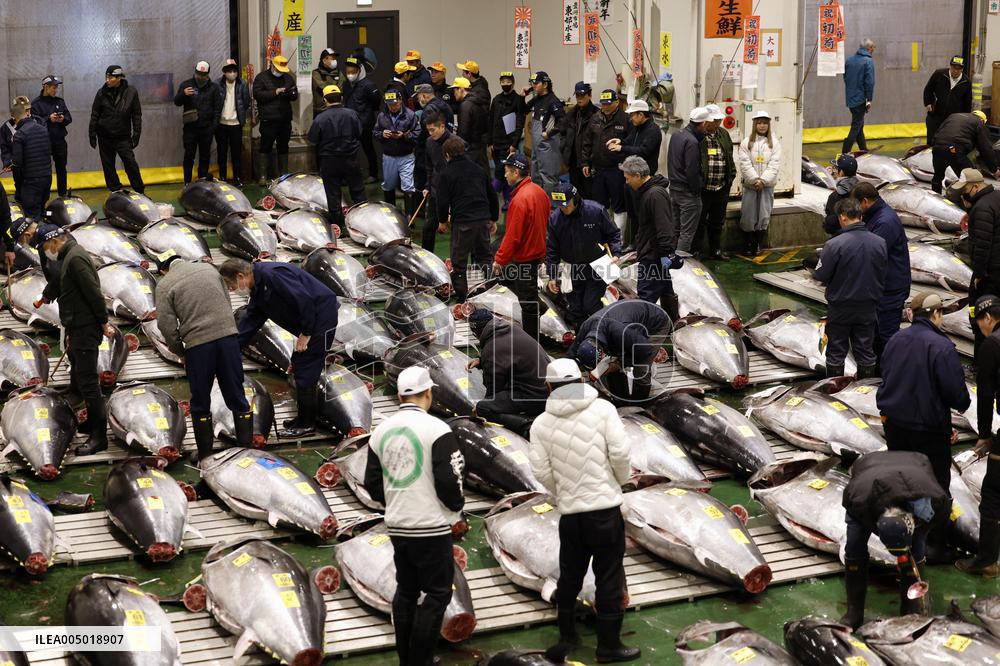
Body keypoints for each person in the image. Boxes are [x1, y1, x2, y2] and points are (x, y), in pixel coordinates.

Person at [528, 357, 637, 662]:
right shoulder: (603, 410)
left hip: (571, 515)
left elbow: (541, 470)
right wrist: (618, 481)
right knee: (609, 576)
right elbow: (620, 453)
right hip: (605, 512)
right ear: (580, 382)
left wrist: (564, 491)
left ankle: (568, 637)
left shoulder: (541, 424)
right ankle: (609, 646)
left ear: (549, 387)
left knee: (570, 576)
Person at [363, 366, 465, 666]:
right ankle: (420, 660)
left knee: (406, 591)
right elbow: (449, 480)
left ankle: (406, 658)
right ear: (429, 393)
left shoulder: (381, 430)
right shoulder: (437, 429)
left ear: (399, 396)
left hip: (398, 526)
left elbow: (372, 482)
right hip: (431, 526)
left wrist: (396, 503)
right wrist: (455, 509)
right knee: (437, 594)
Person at [220, 259, 339, 438]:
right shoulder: (258, 287)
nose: (232, 290)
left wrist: (306, 333)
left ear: (240, 276)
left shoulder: (272, 275)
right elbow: (251, 320)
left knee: (306, 368)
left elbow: (304, 300)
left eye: (231, 286)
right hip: (310, 319)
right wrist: (231, 349)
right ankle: (303, 418)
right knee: (300, 364)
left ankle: (307, 425)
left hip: (320, 316)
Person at [155, 254, 252, 461]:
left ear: (163, 271)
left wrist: (180, 351)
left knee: (200, 400)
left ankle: (206, 455)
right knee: (236, 394)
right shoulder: (209, 269)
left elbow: (165, 325)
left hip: (198, 346)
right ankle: (247, 451)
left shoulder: (164, 285)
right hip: (228, 340)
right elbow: (226, 302)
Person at [840, 450, 948, 629]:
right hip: (868, 469)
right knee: (854, 545)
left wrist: (907, 555)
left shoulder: (936, 502)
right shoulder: (858, 501)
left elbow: (927, 529)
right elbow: (856, 523)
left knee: (916, 549)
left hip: (916, 466)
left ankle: (910, 609)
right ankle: (854, 611)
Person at [32, 224, 114, 456]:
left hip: (86, 327)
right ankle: (91, 423)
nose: (46, 252)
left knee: (89, 383)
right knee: (81, 374)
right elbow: (61, 281)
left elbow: (93, 293)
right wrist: (46, 296)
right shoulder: (69, 256)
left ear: (55, 241)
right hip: (77, 325)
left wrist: (103, 322)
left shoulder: (76, 259)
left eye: (45, 247)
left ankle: (99, 437)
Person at [877, 292, 970, 493]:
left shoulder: (895, 338)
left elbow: (886, 373)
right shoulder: (942, 346)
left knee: (901, 479)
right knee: (933, 486)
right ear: (935, 313)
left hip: (894, 424)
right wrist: (963, 404)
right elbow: (955, 393)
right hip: (928, 430)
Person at [813, 198, 886, 377]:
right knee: (865, 351)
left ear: (843, 217)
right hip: (869, 306)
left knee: (836, 352)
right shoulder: (880, 242)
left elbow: (821, 274)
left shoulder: (834, 244)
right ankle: (865, 390)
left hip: (841, 307)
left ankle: (835, 389)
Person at [958, 294, 1000, 576]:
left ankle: (986, 561)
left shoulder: (992, 344)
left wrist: (984, 434)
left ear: (987, 318)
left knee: (993, 493)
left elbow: (985, 396)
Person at [545, 182, 622, 326]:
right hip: (572, 267)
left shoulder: (596, 211)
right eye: (559, 205)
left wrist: (616, 253)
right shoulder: (555, 219)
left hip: (598, 265)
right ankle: (581, 335)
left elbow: (613, 234)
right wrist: (552, 276)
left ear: (575, 200)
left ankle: (603, 331)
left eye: (566, 205)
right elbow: (552, 250)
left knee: (591, 305)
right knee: (575, 309)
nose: (562, 208)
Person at [568, 299, 670, 404]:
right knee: (611, 362)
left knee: (641, 369)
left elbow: (645, 351)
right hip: (629, 321)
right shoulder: (586, 327)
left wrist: (620, 364)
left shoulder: (621, 332)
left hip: (657, 322)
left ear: (601, 353)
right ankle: (621, 400)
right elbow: (570, 355)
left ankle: (639, 405)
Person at [492, 152, 548, 339]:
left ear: (516, 172)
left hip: (524, 257)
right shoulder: (539, 192)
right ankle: (540, 307)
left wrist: (500, 260)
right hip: (536, 253)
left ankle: (532, 342)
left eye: (507, 171)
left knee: (527, 303)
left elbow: (513, 236)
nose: (505, 175)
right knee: (527, 292)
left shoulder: (519, 200)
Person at [852, 182, 911, 358]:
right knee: (876, 336)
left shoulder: (885, 221)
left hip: (890, 290)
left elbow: (872, 253)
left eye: (856, 204)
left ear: (865, 201)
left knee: (887, 336)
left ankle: (892, 370)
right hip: (881, 287)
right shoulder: (874, 216)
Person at [467, 308, 548, 434]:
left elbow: (493, 391)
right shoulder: (512, 328)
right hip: (548, 388)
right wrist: (482, 361)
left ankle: (526, 426)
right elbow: (510, 355)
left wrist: (479, 408)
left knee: (483, 408)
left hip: (535, 396)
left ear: (476, 332)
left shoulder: (491, 348)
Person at [435, 136, 498, 299]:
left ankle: (463, 300)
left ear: (447, 155)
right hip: (483, 220)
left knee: (459, 264)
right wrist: (494, 218)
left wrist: (442, 221)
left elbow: (442, 201)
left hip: (463, 223)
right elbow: (492, 195)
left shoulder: (446, 174)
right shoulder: (479, 169)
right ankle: (493, 291)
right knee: (485, 258)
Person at [622, 155, 678, 320]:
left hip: (654, 254)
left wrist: (665, 253)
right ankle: (671, 324)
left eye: (628, 178)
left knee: (646, 295)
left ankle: (643, 330)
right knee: (666, 289)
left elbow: (664, 226)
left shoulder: (655, 195)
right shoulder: (646, 192)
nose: (626, 182)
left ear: (638, 176)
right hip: (654, 251)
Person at [307, 85, 365, 235]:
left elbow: (312, 139)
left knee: (333, 194)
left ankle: (337, 226)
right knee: (357, 191)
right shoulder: (352, 114)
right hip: (351, 159)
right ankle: (363, 224)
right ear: (342, 98)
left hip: (329, 162)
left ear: (324, 100)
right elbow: (359, 132)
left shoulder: (320, 118)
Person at [960, 168, 1000, 351]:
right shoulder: (996, 196)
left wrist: (979, 274)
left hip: (990, 272)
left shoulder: (982, 208)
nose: (963, 194)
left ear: (975, 187)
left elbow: (982, 245)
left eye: (965, 190)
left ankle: (983, 354)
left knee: (979, 310)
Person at [89, 65, 143, 193]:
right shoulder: (101, 93)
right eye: (106, 77)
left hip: (123, 137)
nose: (107, 80)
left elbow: (136, 115)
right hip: (104, 137)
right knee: (108, 165)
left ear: (119, 78)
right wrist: (92, 134)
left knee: (130, 163)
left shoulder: (131, 92)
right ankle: (115, 191)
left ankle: (140, 191)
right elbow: (95, 114)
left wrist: (136, 135)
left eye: (110, 77)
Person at [737, 110, 782, 256]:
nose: (762, 126)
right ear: (755, 124)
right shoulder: (746, 142)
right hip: (750, 186)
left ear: (768, 125)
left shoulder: (774, 143)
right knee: (748, 215)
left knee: (764, 215)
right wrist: (755, 179)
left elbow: (774, 164)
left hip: (766, 187)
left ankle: (757, 244)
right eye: (759, 123)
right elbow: (744, 163)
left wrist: (763, 180)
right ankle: (748, 243)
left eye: (765, 123)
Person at [695, 104, 736, 261]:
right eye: (715, 120)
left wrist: (730, 178)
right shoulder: (699, 135)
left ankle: (716, 250)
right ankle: (697, 251)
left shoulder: (724, 134)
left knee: (717, 221)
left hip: (721, 187)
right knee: (699, 221)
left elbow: (730, 156)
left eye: (719, 120)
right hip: (704, 188)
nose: (718, 123)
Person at [173, 61, 221, 185]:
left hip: (207, 129)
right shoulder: (186, 85)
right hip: (190, 129)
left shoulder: (214, 88)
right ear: (195, 71)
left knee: (205, 156)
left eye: (203, 74)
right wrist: (183, 94)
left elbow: (217, 109)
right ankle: (187, 182)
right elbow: (177, 102)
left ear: (208, 74)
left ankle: (202, 182)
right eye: (198, 73)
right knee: (189, 156)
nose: (200, 76)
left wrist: (213, 127)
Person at [668, 107, 708, 255]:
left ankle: (670, 259)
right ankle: (680, 263)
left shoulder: (676, 135)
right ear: (702, 123)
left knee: (675, 229)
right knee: (686, 232)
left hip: (674, 189)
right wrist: (696, 190)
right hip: (687, 193)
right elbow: (692, 170)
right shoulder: (692, 141)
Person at [252, 55, 297, 183]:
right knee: (265, 146)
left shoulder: (288, 78)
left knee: (283, 146)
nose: (280, 72)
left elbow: (295, 95)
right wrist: (275, 92)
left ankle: (284, 174)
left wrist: (290, 94)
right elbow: (257, 94)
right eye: (278, 69)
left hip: (285, 119)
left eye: (282, 70)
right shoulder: (261, 78)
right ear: (272, 65)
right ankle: (263, 176)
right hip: (268, 119)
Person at [930, 110, 1000, 194]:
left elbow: (938, 131)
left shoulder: (953, 115)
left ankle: (935, 197)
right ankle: (969, 200)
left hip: (937, 147)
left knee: (937, 177)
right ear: (982, 120)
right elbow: (985, 148)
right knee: (971, 178)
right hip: (954, 149)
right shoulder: (978, 122)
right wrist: (994, 169)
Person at [374, 89, 420, 216]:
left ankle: (409, 217)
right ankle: (391, 215)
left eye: (395, 104)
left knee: (408, 186)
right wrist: (382, 134)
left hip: (406, 156)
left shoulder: (410, 115)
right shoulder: (381, 116)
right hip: (389, 156)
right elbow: (375, 132)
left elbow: (417, 134)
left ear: (400, 100)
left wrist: (404, 136)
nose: (392, 107)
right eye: (389, 105)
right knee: (388, 185)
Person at [421, 112, 458, 252]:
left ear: (442, 126)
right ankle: (425, 257)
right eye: (428, 130)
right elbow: (429, 166)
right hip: (436, 190)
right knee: (428, 227)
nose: (430, 133)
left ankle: (457, 260)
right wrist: (427, 185)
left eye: (433, 130)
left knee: (457, 229)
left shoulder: (456, 143)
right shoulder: (429, 142)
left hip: (454, 192)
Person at [10, 98, 51, 220]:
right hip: (47, 179)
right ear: (27, 113)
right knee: (41, 213)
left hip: (31, 183)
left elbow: (17, 164)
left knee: (32, 219)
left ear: (14, 118)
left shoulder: (19, 135)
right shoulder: (43, 130)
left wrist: (19, 188)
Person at [523, 71, 565, 195]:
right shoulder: (537, 99)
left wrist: (549, 134)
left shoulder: (553, 101)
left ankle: (550, 205)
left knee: (549, 178)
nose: (533, 86)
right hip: (537, 147)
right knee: (536, 176)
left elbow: (563, 121)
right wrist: (522, 96)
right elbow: (523, 110)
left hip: (548, 145)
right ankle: (538, 202)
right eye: (532, 83)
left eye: (536, 83)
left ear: (545, 84)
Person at [488, 71, 527, 200]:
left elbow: (520, 123)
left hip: (509, 144)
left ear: (513, 83)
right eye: (503, 82)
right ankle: (508, 200)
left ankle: (491, 197)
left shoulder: (517, 100)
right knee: (505, 174)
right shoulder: (496, 99)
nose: (505, 84)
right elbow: (491, 120)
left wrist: (514, 144)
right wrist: (490, 142)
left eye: (508, 81)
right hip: (495, 143)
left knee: (501, 172)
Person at [342, 55, 382, 183]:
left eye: (353, 71)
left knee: (368, 148)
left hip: (365, 123)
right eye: (348, 71)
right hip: (350, 123)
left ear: (360, 71)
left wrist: (366, 115)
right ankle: (349, 175)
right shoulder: (346, 84)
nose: (350, 74)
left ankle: (373, 174)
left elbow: (376, 102)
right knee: (349, 151)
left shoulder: (369, 85)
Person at [31, 76, 71, 197]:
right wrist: (49, 119)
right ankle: (43, 196)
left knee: (61, 168)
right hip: (44, 142)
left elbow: (69, 118)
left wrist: (62, 119)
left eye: (56, 87)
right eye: (53, 87)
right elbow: (34, 123)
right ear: (46, 87)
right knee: (44, 171)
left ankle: (62, 195)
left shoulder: (60, 101)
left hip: (59, 141)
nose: (55, 90)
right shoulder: (36, 104)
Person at [413, 83, 453, 197]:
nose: (418, 100)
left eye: (418, 97)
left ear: (424, 96)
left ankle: (422, 206)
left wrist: (416, 141)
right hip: (446, 148)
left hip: (429, 150)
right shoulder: (446, 106)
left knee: (422, 180)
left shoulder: (428, 110)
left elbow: (424, 134)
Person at [560, 82, 597, 200]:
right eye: (577, 96)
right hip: (573, 160)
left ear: (590, 95)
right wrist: (564, 148)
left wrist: (591, 159)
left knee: (588, 193)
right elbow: (562, 130)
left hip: (588, 161)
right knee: (575, 192)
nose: (579, 98)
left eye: (582, 95)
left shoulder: (596, 114)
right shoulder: (572, 113)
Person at [923, 55, 972, 145]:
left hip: (953, 119)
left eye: (959, 68)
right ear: (950, 66)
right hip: (935, 115)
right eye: (954, 68)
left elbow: (967, 102)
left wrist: (965, 119)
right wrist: (928, 103)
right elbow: (928, 89)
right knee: (932, 142)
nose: (956, 71)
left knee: (949, 143)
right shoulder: (939, 74)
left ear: (962, 69)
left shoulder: (966, 82)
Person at [216, 59, 250, 186]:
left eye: (234, 71)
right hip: (221, 124)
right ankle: (223, 177)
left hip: (236, 124)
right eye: (229, 71)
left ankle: (237, 177)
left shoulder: (242, 84)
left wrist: (239, 116)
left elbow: (246, 102)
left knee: (236, 153)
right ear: (224, 72)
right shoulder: (217, 84)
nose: (232, 73)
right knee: (222, 152)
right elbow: (215, 103)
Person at [843, 39, 876, 154]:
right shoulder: (868, 61)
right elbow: (869, 82)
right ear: (869, 48)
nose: (873, 50)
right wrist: (869, 99)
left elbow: (845, 78)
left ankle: (863, 149)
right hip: (860, 99)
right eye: (873, 48)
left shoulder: (849, 60)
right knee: (856, 125)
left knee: (859, 124)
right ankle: (845, 152)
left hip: (850, 98)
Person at [612, 99, 661, 175]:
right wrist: (620, 141)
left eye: (632, 115)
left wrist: (622, 148)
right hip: (633, 171)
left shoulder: (653, 130)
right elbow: (629, 141)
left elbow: (643, 151)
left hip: (645, 174)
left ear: (640, 115)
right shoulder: (637, 126)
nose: (630, 119)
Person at [451, 76, 490, 174]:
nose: (454, 94)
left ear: (461, 89)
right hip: (480, 148)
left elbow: (463, 131)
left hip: (470, 150)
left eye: (455, 90)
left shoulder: (466, 105)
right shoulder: (478, 102)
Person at [823, 154, 859, 235]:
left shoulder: (834, 196)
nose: (834, 171)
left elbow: (830, 225)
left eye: (836, 168)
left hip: (841, 236)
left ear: (841, 172)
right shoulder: (861, 190)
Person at [311, 48, 342, 119]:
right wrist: (335, 88)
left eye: (335, 58)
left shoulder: (339, 73)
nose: (335, 61)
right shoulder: (316, 73)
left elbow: (341, 88)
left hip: (336, 108)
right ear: (324, 60)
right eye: (332, 59)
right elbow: (325, 89)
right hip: (321, 110)